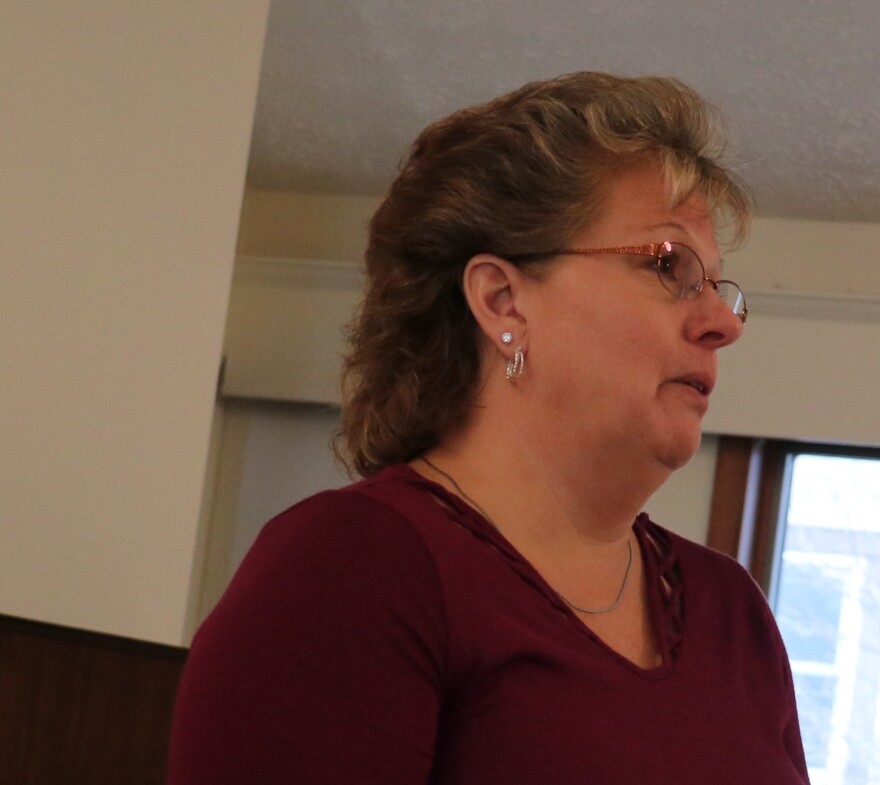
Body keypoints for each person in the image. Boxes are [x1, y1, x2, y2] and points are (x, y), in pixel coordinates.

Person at [168, 72, 810, 784]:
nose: (721, 322)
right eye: (669, 266)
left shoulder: (733, 613)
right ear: (502, 300)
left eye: (721, 288)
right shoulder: (352, 567)